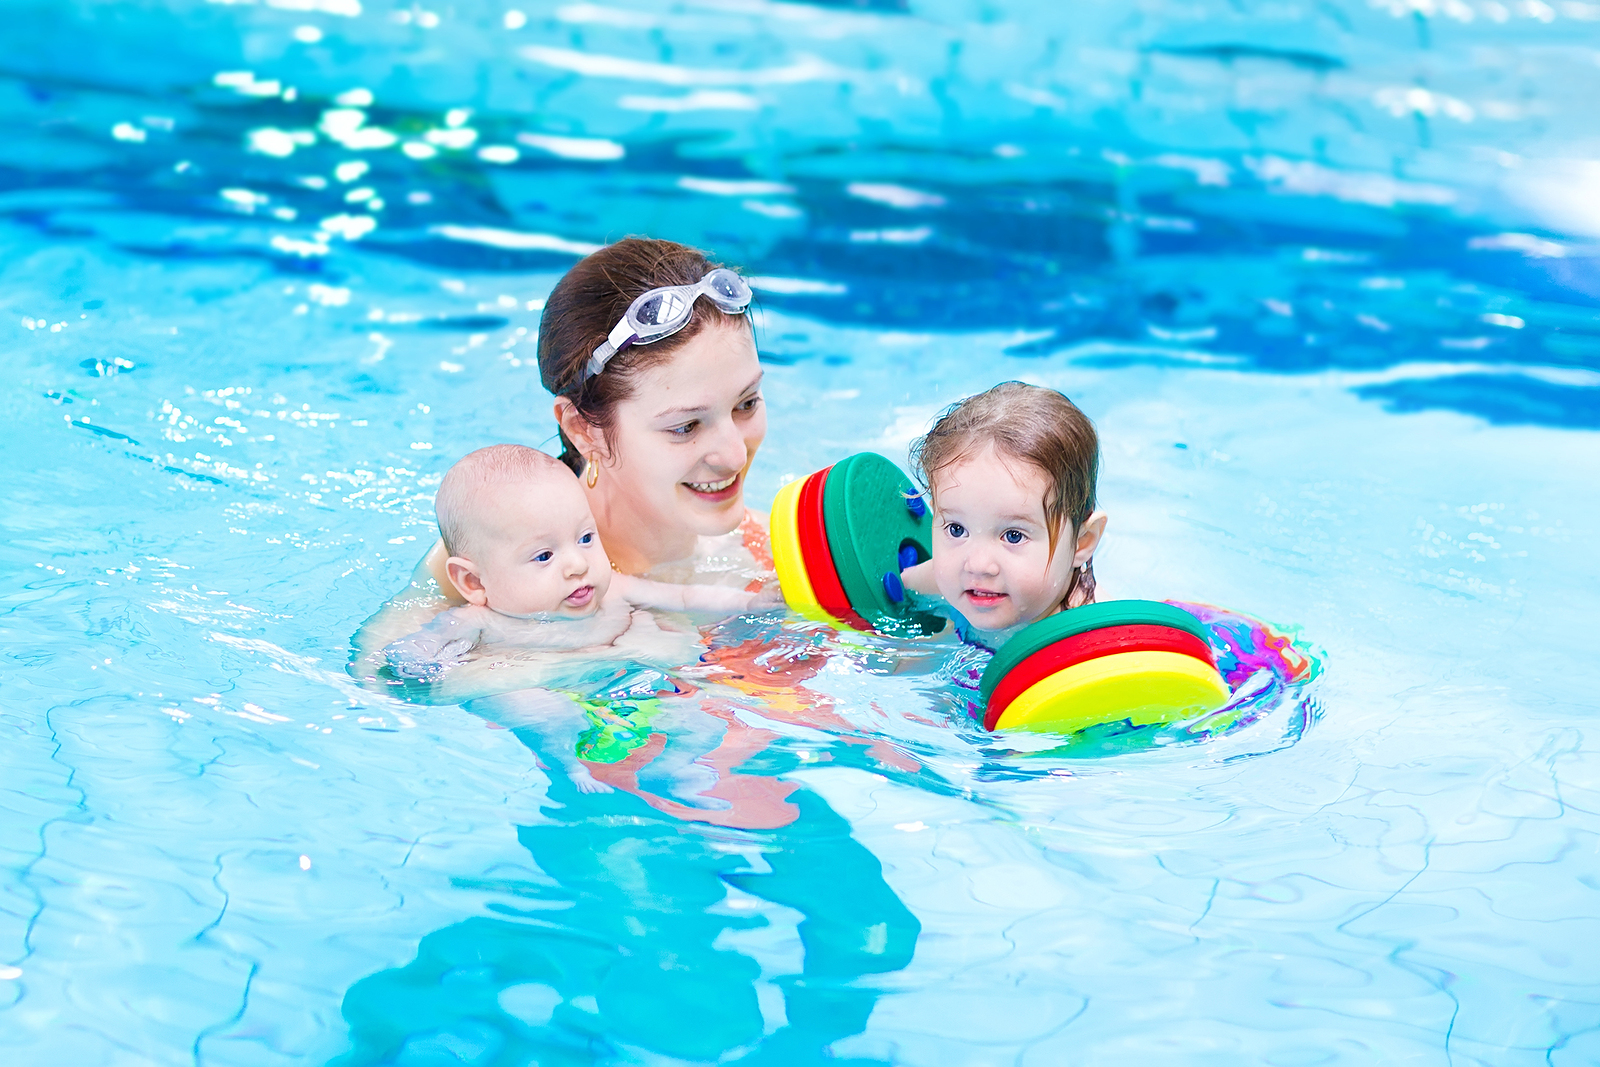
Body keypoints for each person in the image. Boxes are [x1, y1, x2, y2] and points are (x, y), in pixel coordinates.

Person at [381, 444, 773, 682]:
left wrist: (749, 604)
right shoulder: (478, 621)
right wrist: (417, 658)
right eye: (544, 556)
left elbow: (686, 598)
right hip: (556, 693)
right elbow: (409, 658)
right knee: (532, 705)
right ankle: (571, 763)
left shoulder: (614, 590)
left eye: (586, 538)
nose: (576, 564)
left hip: (636, 683)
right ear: (474, 583)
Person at [899, 381, 1108, 651]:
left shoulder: (1090, 633)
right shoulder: (939, 580)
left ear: (1082, 542)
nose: (978, 565)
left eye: (1013, 535)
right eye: (956, 529)